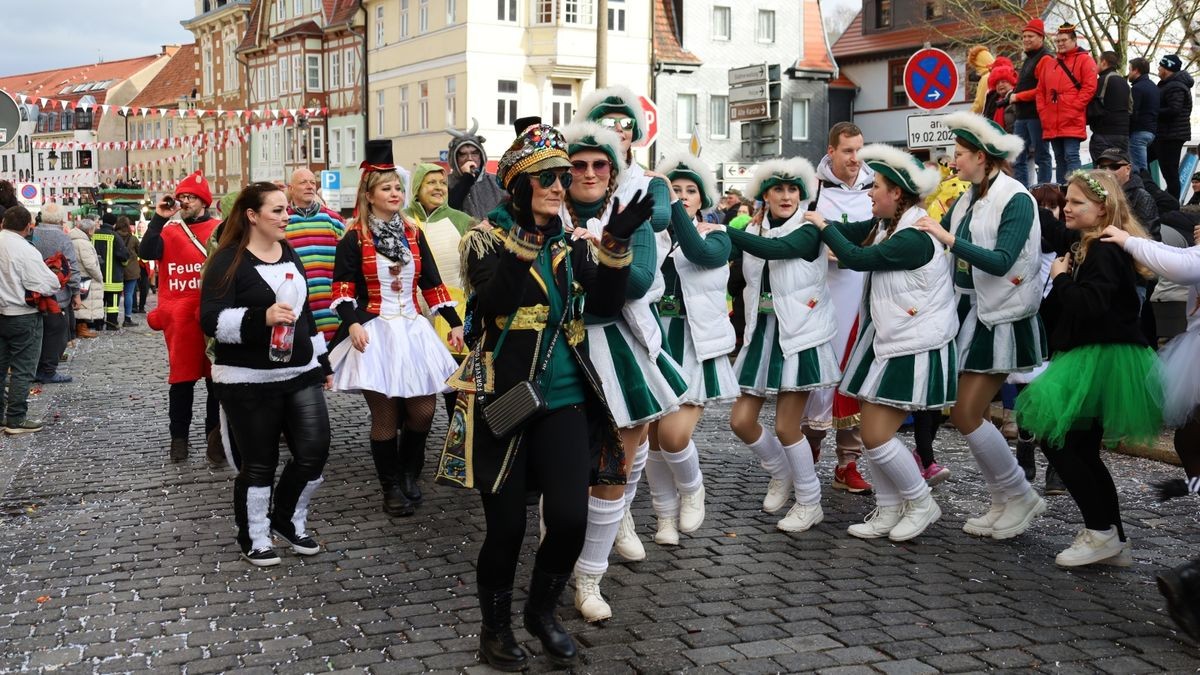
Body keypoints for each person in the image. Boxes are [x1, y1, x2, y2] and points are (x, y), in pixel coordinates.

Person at [434, 117, 647, 671]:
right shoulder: (484, 236)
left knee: (572, 520)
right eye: (549, 177)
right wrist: (530, 233)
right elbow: (499, 298)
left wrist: (616, 244)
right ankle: (495, 631)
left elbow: (602, 304)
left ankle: (542, 613)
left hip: (568, 396)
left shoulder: (571, 241)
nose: (561, 184)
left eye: (564, 175)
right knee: (506, 528)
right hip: (504, 398)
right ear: (521, 184)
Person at [557, 121, 685, 623]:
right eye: (578, 164)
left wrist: (600, 245)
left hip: (618, 344)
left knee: (617, 466)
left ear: (612, 171)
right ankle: (560, 556)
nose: (588, 173)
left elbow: (637, 282)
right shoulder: (546, 210)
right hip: (561, 349)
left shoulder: (631, 213)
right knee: (563, 470)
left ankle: (590, 576)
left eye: (599, 164)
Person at [1016, 170, 1161, 566]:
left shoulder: (1104, 250)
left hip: (1101, 357)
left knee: (1058, 440)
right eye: (1066, 201)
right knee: (1079, 447)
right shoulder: (1088, 241)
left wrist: (1060, 279)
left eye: (1076, 202)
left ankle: (1100, 532)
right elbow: (1053, 229)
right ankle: (1112, 535)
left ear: (1103, 208)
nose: (1066, 208)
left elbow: (1090, 304)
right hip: (1093, 354)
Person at [807, 145, 951, 542]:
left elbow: (853, 256)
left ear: (898, 194)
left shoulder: (915, 234)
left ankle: (921, 501)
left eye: (878, 187)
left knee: (875, 434)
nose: (870, 192)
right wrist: (811, 221)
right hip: (890, 338)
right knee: (872, 431)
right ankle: (889, 508)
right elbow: (849, 231)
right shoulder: (887, 224)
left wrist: (820, 225)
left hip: (913, 344)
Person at [918, 112, 1048, 541]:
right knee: (966, 412)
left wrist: (948, 238)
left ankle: (1020, 494)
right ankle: (1003, 496)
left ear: (981, 156)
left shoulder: (1016, 198)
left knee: (968, 411)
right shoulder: (972, 194)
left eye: (958, 155)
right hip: (974, 313)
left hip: (1005, 317)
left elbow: (1001, 260)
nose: (953, 163)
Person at [199, 182, 333, 567]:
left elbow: (304, 313)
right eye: (276, 210)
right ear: (252, 216)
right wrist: (262, 318)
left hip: (300, 370)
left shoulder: (288, 251)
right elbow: (210, 320)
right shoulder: (228, 260)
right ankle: (254, 533)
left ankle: (288, 518)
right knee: (259, 462)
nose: (286, 216)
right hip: (248, 378)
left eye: (286, 209)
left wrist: (321, 361)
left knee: (314, 452)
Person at [329, 140, 462, 517]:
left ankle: (409, 473)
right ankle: (390, 487)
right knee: (385, 415)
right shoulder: (353, 237)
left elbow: (432, 283)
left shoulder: (413, 233)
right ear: (369, 195)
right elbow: (341, 289)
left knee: (423, 411)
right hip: (375, 331)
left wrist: (452, 324)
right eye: (386, 188)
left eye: (398, 188)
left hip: (414, 331)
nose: (395, 194)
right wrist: (352, 323)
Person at [724, 157, 842, 533]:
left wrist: (725, 231)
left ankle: (810, 502)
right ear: (765, 194)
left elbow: (777, 251)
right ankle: (781, 473)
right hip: (763, 332)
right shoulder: (756, 225)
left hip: (798, 334)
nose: (787, 196)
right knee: (741, 421)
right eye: (778, 188)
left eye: (793, 189)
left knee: (788, 427)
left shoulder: (809, 228)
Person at [647, 152, 739, 546]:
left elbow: (702, 257)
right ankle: (664, 517)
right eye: (675, 190)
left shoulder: (716, 236)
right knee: (651, 439)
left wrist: (670, 205)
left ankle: (693, 486)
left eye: (689, 191)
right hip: (654, 342)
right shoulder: (649, 236)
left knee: (673, 435)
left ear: (702, 199)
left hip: (695, 345)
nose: (682, 197)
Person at [801, 122, 875, 494]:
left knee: (854, 379)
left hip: (862, 298)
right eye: (848, 151)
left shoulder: (875, 188)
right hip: (823, 299)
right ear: (831, 151)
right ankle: (807, 453)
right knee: (820, 381)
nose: (855, 158)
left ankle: (848, 463)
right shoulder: (811, 191)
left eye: (860, 150)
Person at [140, 171, 223, 462]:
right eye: (182, 196)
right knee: (182, 381)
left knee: (217, 382)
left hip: (212, 315)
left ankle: (216, 440)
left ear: (204, 201)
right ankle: (179, 439)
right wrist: (159, 217)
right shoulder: (169, 230)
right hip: (180, 319)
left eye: (191, 197)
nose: (185, 201)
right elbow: (147, 250)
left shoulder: (219, 229)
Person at [0, 205, 61, 434]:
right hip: (22, 316)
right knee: (22, 369)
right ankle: (15, 419)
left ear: (3, 223)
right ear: (28, 227)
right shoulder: (24, 249)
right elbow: (47, 283)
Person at [404, 163, 473, 360]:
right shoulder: (402, 219)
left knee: (451, 371)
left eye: (442, 183)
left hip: (451, 310)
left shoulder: (462, 221)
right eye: (431, 182)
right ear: (418, 187)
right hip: (412, 311)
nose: (439, 187)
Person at [285, 168, 346, 345]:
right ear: (291, 188)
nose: (309, 186)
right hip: (300, 307)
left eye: (312, 182)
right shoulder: (283, 222)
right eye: (303, 182)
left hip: (332, 306)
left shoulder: (333, 220)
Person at [1037, 24, 1097, 183]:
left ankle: (1077, 188)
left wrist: (1074, 107)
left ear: (1074, 40)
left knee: (1071, 155)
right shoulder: (1050, 63)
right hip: (1053, 119)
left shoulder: (1085, 60)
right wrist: (1044, 113)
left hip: (1071, 117)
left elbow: (1089, 88)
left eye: (1064, 40)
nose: (1060, 43)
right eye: (1058, 41)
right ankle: (1062, 192)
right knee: (1059, 158)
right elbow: (1040, 91)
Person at [30, 202, 81, 384]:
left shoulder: (32, 234)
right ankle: (48, 371)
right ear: (60, 218)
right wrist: (76, 292)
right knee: (57, 333)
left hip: (33, 293)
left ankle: (36, 369)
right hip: (57, 294)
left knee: (38, 334)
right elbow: (71, 267)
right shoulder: (63, 237)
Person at [1010, 18, 1055, 186]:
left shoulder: (1044, 59)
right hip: (1022, 116)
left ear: (1041, 38)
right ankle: (1021, 190)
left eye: (1031, 36)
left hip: (1037, 115)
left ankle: (1045, 190)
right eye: (1024, 36)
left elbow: (1042, 90)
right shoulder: (1030, 58)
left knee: (1041, 155)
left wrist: (1018, 97)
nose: (1026, 39)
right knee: (1018, 157)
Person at [446, 118, 505, 220]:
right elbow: (448, 210)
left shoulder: (497, 182)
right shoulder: (445, 183)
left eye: (474, 153)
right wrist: (466, 179)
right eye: (463, 154)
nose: (469, 158)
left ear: (481, 156)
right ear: (455, 158)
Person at [1154, 54, 1194, 200]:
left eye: (1161, 66)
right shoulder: (1169, 84)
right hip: (1165, 134)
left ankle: (1173, 204)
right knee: (1142, 161)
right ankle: (1163, 198)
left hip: (1172, 135)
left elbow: (1174, 110)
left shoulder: (1176, 86)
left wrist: (1152, 111)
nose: (1158, 69)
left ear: (1167, 68)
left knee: (1170, 172)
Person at [1096, 147, 1160, 238]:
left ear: (1128, 169)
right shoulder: (1094, 193)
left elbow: (1151, 237)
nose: (1107, 171)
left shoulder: (1141, 197)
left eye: (1114, 167)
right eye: (1102, 167)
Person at [1088, 51, 1132, 160]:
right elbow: (1130, 107)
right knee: (1118, 168)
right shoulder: (1124, 82)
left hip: (1104, 133)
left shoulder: (1101, 81)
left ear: (1104, 62)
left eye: (1097, 62)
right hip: (1123, 134)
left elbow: (1093, 105)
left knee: (1102, 172)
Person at [93, 212, 130, 331]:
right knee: (113, 304)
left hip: (97, 277)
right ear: (114, 223)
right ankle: (111, 323)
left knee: (99, 301)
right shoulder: (114, 236)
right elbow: (123, 255)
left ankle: (98, 323)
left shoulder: (94, 235)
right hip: (113, 277)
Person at [68, 219, 103, 339]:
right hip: (86, 278)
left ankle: (80, 328)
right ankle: (82, 328)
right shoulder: (83, 243)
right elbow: (89, 264)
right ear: (89, 230)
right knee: (84, 304)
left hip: (79, 276)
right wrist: (99, 276)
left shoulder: (73, 240)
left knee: (81, 303)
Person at [1128, 57, 1161, 176]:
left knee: (1139, 170)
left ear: (1136, 71)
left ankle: (1145, 193)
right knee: (1144, 166)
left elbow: (1132, 112)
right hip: (1151, 132)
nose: (1128, 73)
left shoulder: (1137, 88)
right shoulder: (1154, 87)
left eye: (1130, 70)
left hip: (1139, 132)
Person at [114, 216, 141, 328]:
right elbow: (140, 252)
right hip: (131, 270)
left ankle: (112, 319)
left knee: (115, 294)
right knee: (129, 294)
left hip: (117, 269)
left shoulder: (114, 237)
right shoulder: (133, 239)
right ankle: (127, 318)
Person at [968, 46, 997, 114]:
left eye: (976, 66)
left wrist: (967, 117)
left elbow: (980, 104)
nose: (976, 70)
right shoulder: (999, 73)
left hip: (991, 116)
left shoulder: (986, 77)